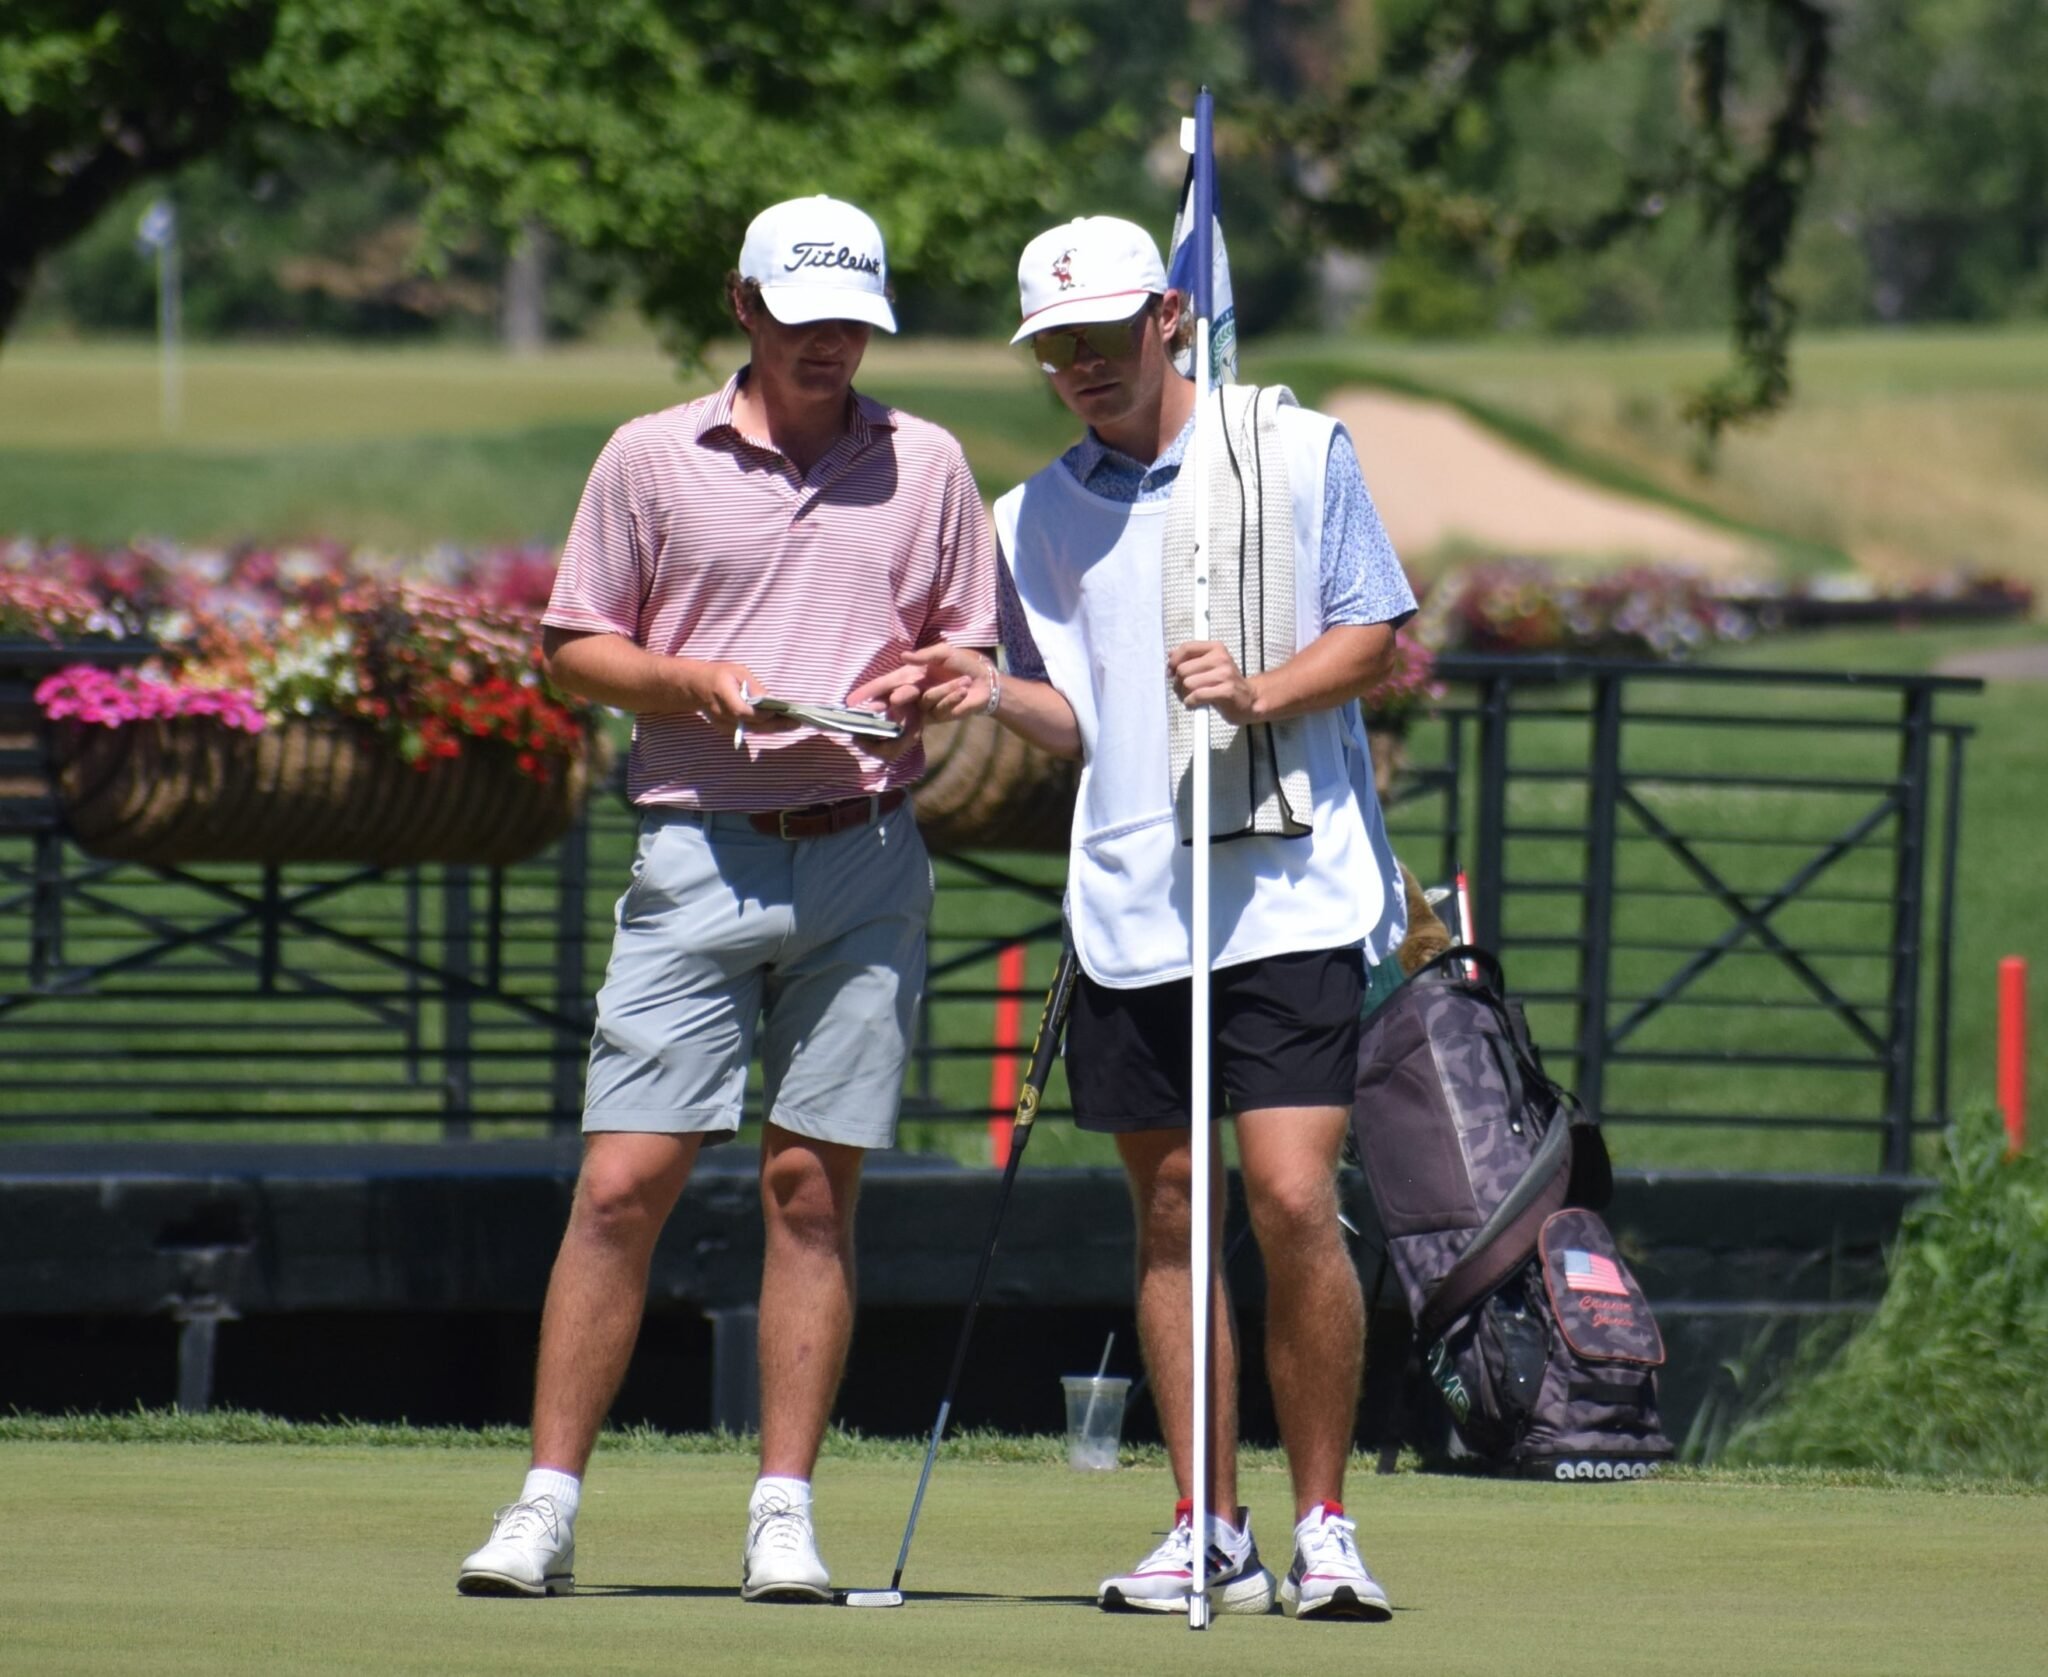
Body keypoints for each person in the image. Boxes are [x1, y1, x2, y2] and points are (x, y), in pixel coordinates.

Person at [856, 215, 1416, 1622]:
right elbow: (1082, 712)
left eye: (1103, 338)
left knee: (1289, 1197)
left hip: (1289, 886)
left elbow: (1373, 632)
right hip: (1134, 900)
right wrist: (987, 693)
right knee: (1171, 1211)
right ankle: (1206, 1523)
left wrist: (1259, 691)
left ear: (1171, 315)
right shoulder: (1033, 514)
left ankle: (1327, 1524)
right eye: (1055, 351)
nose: (1082, 369)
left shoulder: (1296, 451)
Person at [457, 195, 999, 1602]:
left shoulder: (930, 461)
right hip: (698, 846)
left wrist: (937, 679)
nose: (831, 345)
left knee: (811, 1189)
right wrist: (688, 683)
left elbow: (968, 648)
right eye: (804, 319)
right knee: (622, 1183)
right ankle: (546, 1505)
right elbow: (576, 645)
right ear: (744, 307)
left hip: (867, 848)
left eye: (853, 323)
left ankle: (783, 1514)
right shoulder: (651, 455)